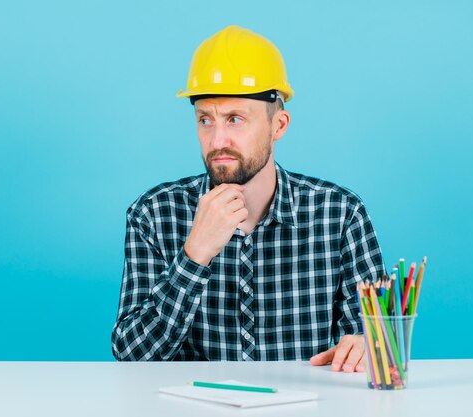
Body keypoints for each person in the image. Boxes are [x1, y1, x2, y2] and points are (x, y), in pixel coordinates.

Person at [111, 26, 385, 372]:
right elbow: (131, 357)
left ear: (279, 125)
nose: (217, 139)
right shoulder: (154, 215)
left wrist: (368, 344)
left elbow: (378, 346)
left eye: (235, 119)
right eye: (205, 120)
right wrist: (193, 256)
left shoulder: (340, 215)